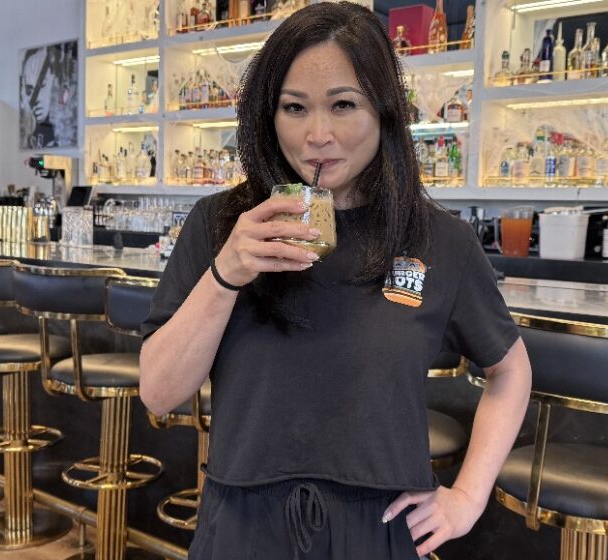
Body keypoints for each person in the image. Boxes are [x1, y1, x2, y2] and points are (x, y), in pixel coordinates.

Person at [139, 3, 531, 558]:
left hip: (380, 527)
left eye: (343, 105)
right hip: (242, 522)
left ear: (385, 111)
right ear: (267, 116)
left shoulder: (439, 240)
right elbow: (159, 392)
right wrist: (226, 273)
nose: (316, 135)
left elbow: (510, 369)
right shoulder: (221, 224)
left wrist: (466, 496)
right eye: (294, 108)